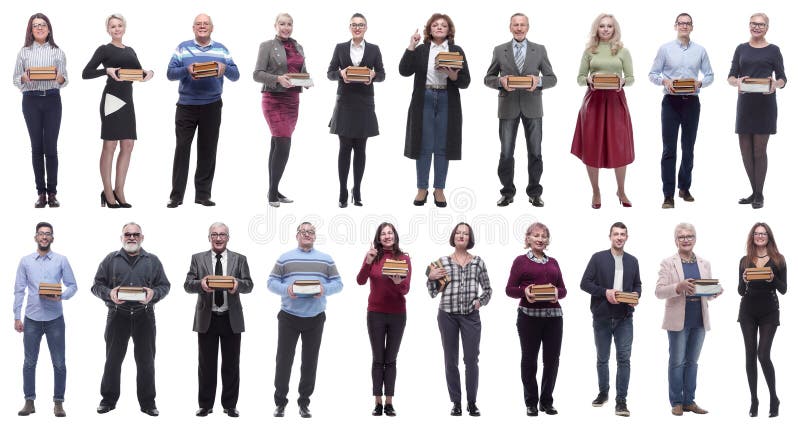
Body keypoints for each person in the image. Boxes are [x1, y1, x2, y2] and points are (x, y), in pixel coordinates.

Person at [91, 222, 170, 416]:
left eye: (136, 234)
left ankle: (148, 403)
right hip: (118, 315)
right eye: (128, 234)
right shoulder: (111, 259)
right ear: (122, 238)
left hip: (145, 316)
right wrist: (110, 293)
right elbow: (96, 286)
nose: (132, 237)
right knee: (112, 360)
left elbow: (165, 286)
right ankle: (108, 400)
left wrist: (154, 293)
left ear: (142, 238)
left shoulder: (153, 260)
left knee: (146, 361)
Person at [268, 222, 343, 418]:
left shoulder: (326, 260)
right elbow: (271, 282)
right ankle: (280, 402)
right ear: (297, 235)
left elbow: (339, 283)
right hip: (289, 317)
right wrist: (287, 289)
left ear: (315, 236)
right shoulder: (285, 258)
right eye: (304, 231)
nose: (307, 234)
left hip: (315, 318)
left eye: (311, 232)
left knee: (310, 362)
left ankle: (304, 402)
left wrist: (324, 289)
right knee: (283, 361)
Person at [166, 13, 240, 208]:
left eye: (205, 23)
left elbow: (236, 75)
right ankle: (176, 196)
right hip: (186, 106)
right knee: (182, 149)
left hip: (212, 106)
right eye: (198, 24)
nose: (202, 26)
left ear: (212, 28)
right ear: (193, 28)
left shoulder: (222, 50)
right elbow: (169, 74)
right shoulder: (182, 48)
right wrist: (186, 70)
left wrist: (225, 68)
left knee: (208, 150)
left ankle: (203, 195)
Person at [485, 13, 557, 208]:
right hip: (507, 107)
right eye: (515, 25)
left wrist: (539, 81)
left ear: (528, 27)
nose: (519, 28)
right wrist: (500, 82)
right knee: (506, 153)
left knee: (535, 152)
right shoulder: (500, 50)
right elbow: (488, 78)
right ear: (510, 27)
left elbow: (552, 78)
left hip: (533, 108)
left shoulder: (539, 50)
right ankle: (507, 192)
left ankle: (534, 193)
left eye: (522, 25)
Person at [83, 14, 154, 209]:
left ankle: (119, 190)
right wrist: (106, 71)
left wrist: (149, 74)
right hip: (112, 100)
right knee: (110, 145)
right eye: (113, 26)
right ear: (108, 29)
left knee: (128, 144)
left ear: (124, 28)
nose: (116, 29)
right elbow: (86, 73)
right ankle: (107, 191)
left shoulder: (131, 50)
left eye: (119, 25)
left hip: (127, 100)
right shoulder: (104, 49)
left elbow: (139, 73)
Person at [400, 13, 471, 208]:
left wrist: (453, 76)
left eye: (444, 25)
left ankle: (439, 189)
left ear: (449, 30)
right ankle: (422, 188)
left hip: (447, 99)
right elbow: (404, 70)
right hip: (425, 99)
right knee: (424, 145)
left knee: (442, 146)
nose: (439, 27)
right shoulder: (422, 49)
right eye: (435, 25)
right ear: (429, 29)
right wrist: (411, 45)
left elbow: (465, 82)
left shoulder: (456, 50)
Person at [184, 222, 253, 418]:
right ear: (209, 238)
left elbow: (249, 285)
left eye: (222, 234)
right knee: (206, 365)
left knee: (231, 364)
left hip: (231, 318)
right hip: (207, 318)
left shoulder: (240, 259)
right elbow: (188, 285)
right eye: (214, 234)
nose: (218, 238)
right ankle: (205, 405)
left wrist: (237, 285)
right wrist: (201, 284)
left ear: (228, 237)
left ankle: (230, 405)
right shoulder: (197, 259)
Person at [655, 222, 722, 416]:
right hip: (678, 320)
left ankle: (689, 401)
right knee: (677, 362)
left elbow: (706, 293)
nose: (686, 240)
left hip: (699, 319)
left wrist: (715, 292)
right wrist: (679, 286)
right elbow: (659, 292)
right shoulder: (668, 263)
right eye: (682, 237)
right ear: (676, 240)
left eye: (690, 236)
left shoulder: (704, 263)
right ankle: (676, 402)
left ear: (695, 239)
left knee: (692, 362)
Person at [648, 13, 714, 209]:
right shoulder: (665, 49)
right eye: (681, 23)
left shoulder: (700, 50)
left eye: (688, 23)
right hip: (671, 103)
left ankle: (684, 187)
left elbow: (710, 75)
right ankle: (668, 194)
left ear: (692, 27)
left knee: (688, 148)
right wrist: (664, 81)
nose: (684, 26)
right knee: (669, 149)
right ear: (675, 25)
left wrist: (700, 82)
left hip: (691, 103)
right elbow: (652, 74)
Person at [571, 13, 634, 209]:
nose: (606, 29)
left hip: (616, 102)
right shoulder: (590, 50)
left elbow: (631, 78)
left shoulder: (623, 51)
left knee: (619, 146)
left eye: (609, 26)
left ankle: (621, 190)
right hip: (594, 103)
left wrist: (623, 81)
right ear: (596, 29)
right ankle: (596, 191)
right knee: (592, 146)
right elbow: (580, 78)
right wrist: (588, 80)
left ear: (614, 29)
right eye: (602, 26)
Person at [14, 222, 77, 417]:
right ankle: (29, 401)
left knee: (59, 362)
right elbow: (18, 290)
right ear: (35, 237)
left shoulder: (61, 260)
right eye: (41, 234)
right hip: (31, 318)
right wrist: (17, 316)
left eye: (48, 234)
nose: (44, 237)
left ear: (52, 238)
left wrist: (63, 296)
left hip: (55, 319)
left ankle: (58, 402)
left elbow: (73, 285)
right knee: (29, 362)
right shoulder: (25, 261)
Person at [427, 222, 491, 416]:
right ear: (453, 237)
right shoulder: (442, 262)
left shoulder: (478, 262)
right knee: (450, 360)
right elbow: (432, 293)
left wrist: (480, 302)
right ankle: (456, 402)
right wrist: (431, 277)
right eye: (458, 233)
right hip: (447, 315)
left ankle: (472, 402)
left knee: (471, 360)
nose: (461, 235)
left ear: (470, 238)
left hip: (471, 316)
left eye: (465, 233)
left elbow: (488, 290)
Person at [579, 222, 641, 416]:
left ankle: (621, 401)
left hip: (624, 318)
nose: (619, 237)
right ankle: (603, 392)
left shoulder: (632, 261)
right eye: (616, 234)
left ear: (627, 237)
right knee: (602, 359)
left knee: (624, 360)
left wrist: (636, 297)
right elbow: (584, 283)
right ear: (610, 236)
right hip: (602, 317)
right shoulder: (598, 258)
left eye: (623, 234)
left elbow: (638, 284)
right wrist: (604, 292)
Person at [505, 222, 565, 416]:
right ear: (528, 238)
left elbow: (563, 289)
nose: (540, 239)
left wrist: (557, 292)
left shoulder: (553, 262)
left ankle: (546, 401)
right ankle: (531, 401)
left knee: (552, 360)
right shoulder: (520, 261)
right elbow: (509, 289)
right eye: (536, 235)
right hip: (529, 318)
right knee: (529, 360)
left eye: (544, 236)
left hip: (553, 318)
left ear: (547, 240)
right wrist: (525, 291)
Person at [728, 13, 786, 209]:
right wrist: (737, 82)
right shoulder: (741, 49)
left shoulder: (774, 50)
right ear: (749, 25)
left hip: (765, 105)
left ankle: (759, 194)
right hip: (745, 106)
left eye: (761, 25)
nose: (757, 27)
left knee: (759, 152)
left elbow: (783, 78)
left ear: (767, 28)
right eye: (754, 24)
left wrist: (774, 85)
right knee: (745, 152)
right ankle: (753, 192)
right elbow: (730, 76)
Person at [327, 13, 385, 207]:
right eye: (354, 25)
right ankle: (343, 190)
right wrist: (340, 73)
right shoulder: (340, 48)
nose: (357, 28)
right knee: (344, 148)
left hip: (365, 103)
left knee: (361, 148)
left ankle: (357, 189)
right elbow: (330, 73)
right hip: (345, 103)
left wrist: (373, 75)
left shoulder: (374, 49)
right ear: (349, 27)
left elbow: (382, 74)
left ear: (366, 27)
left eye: (361, 25)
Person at [356, 222, 411, 416]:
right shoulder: (373, 256)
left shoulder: (404, 258)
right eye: (383, 234)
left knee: (391, 359)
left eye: (390, 233)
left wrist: (398, 283)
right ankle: (377, 402)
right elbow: (360, 280)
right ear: (379, 238)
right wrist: (368, 261)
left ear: (395, 236)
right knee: (378, 359)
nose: (387, 236)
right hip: (375, 314)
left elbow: (406, 289)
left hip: (397, 314)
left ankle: (389, 402)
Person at [13, 13, 68, 208]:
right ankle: (41, 193)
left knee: (51, 147)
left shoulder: (57, 52)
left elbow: (65, 80)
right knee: (37, 147)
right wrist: (24, 78)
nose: (39, 28)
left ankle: (52, 193)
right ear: (31, 29)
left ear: (49, 28)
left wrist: (59, 77)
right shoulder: (24, 52)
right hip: (31, 100)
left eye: (43, 25)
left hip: (52, 99)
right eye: (35, 25)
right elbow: (15, 79)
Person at [254, 13, 307, 208]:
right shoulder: (267, 46)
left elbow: (301, 71)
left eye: (289, 24)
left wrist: (306, 81)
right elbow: (257, 74)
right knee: (283, 143)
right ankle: (272, 194)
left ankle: (273, 189)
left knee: (277, 144)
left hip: (293, 100)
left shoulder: (298, 46)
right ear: (275, 25)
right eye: (282, 24)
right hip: (274, 99)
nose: (286, 28)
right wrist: (277, 79)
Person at [737, 222, 786, 417]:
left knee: (763, 355)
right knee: (750, 355)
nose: (760, 236)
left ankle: (774, 398)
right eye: (757, 234)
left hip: (769, 311)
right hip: (748, 310)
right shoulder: (744, 259)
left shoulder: (779, 259)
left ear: (769, 237)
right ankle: (754, 400)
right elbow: (740, 290)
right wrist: (744, 280)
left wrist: (772, 278)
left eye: (763, 234)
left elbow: (783, 289)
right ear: (753, 237)